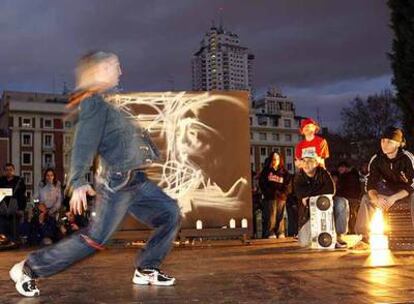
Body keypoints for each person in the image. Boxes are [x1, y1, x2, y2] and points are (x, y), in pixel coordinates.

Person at [10, 51, 181, 297]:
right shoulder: (93, 103)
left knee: (170, 212)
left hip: (136, 180)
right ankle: (29, 268)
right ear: (100, 69)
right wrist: (78, 180)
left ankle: (146, 268)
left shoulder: (106, 104)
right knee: (94, 240)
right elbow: (83, 142)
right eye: (115, 66)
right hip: (119, 182)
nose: (120, 71)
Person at [354, 127, 414, 245]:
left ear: (398, 144)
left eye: (389, 142)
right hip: (388, 190)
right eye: (383, 141)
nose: (384, 144)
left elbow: (412, 183)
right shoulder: (376, 159)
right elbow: (370, 183)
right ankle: (364, 238)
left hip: (407, 193)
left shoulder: (407, 158)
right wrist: (376, 198)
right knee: (367, 198)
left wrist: (394, 198)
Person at [294, 150, 349, 248]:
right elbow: (299, 193)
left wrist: (309, 195)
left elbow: (331, 190)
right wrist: (319, 190)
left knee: (342, 202)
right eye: (304, 161)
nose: (306, 164)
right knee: (305, 242)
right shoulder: (299, 176)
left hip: (327, 209)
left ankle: (339, 235)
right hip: (309, 215)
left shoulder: (323, 173)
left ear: (316, 163)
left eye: (310, 161)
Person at [259, 152, 291, 239]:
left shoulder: (284, 172)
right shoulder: (266, 171)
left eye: (277, 159)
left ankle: (280, 232)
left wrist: (283, 193)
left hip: (281, 198)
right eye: (273, 159)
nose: (275, 161)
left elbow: (288, 185)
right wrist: (268, 192)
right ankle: (270, 232)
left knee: (280, 215)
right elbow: (262, 184)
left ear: (280, 160)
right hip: (270, 197)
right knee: (271, 215)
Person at [0, 163, 27, 243]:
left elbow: (22, 196)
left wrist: (21, 209)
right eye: (7, 170)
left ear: (13, 171)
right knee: (2, 230)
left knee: (14, 231)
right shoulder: (1, 180)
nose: (8, 172)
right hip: (2, 210)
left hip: (15, 211)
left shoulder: (19, 181)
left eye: (10, 170)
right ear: (4, 171)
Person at [336, 161, 361, 234]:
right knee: (351, 214)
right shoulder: (351, 175)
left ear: (344, 167)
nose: (339, 171)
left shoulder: (349, 176)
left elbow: (346, 188)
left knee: (351, 214)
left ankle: (352, 230)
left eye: (341, 169)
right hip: (352, 197)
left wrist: (339, 193)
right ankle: (352, 230)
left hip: (351, 198)